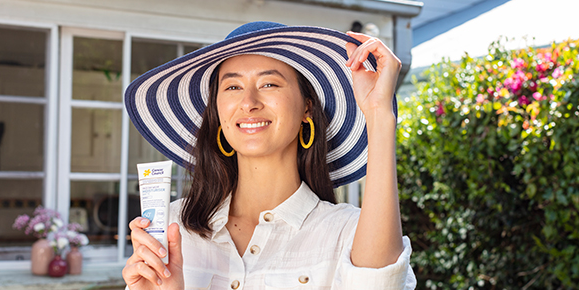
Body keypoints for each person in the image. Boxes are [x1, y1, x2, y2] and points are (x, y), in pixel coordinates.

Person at [122, 21, 416, 289]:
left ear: (307, 108)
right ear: (217, 111)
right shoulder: (174, 226)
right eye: (233, 86)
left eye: (269, 84)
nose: (248, 103)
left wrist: (379, 115)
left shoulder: (347, 233)